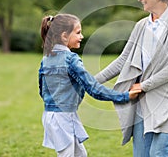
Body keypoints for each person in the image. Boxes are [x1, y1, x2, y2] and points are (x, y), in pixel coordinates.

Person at [95, 0, 168, 157]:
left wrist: (143, 85)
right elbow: (123, 61)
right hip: (144, 106)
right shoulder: (141, 25)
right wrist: (90, 81)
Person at [38, 13, 141, 157]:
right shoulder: (71, 59)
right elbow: (94, 89)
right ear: (64, 36)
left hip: (51, 115)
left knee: (80, 154)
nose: (82, 36)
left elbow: (42, 90)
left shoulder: (46, 59)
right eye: (78, 32)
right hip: (63, 117)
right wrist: (124, 96)